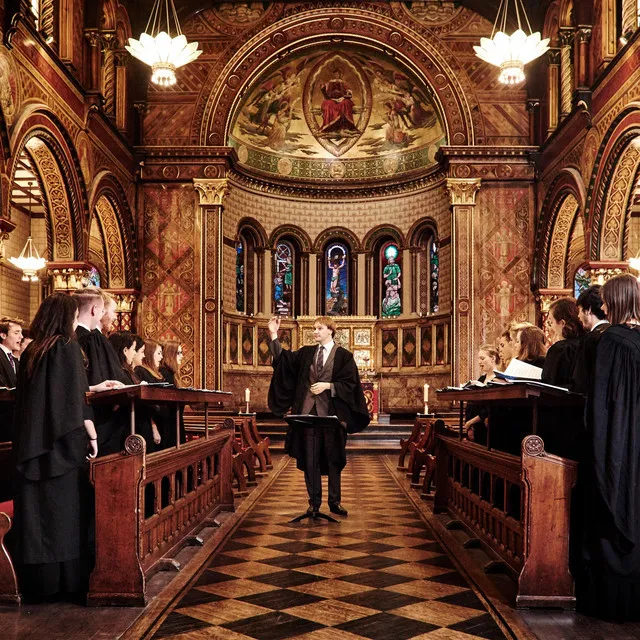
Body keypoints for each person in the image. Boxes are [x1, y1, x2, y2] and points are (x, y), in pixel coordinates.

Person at [9, 293, 107, 602]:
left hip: (30, 448)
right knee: (62, 516)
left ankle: (38, 584)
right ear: (66, 319)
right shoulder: (67, 348)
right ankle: (65, 584)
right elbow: (72, 401)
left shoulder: (31, 351)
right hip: (60, 449)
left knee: (38, 518)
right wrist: (90, 435)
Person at [574, 274, 640, 621]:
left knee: (608, 503)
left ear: (610, 303)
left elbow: (598, 402)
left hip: (614, 440)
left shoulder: (611, 341)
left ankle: (607, 601)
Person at [267, 315, 369, 515]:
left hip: (333, 416)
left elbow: (351, 385)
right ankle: (313, 504)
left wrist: (329, 386)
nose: (315, 331)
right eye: (314, 328)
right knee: (310, 458)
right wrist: (273, 334)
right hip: (307, 415)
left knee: (333, 459)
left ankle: (334, 502)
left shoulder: (344, 356)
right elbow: (283, 361)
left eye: (319, 328)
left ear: (330, 330)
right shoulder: (306, 353)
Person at [73, 288, 126, 455]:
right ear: (96, 310)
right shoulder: (93, 339)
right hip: (99, 420)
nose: (111, 315)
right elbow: (103, 375)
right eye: (107, 311)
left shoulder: (69, 338)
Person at [108, 332, 161, 452]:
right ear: (125, 350)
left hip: (137, 426)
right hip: (128, 429)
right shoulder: (121, 373)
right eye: (134, 349)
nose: (136, 354)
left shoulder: (127, 372)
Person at [573, 285, 609, 394]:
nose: (578, 316)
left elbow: (580, 381)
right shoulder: (617, 333)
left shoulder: (591, 339)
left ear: (588, 310)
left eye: (579, 310)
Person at [542, 298, 584, 387]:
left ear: (562, 323)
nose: (550, 328)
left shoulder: (560, 349)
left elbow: (547, 385)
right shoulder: (588, 342)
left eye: (550, 322)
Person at [465, 345, 499, 445]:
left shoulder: (499, 380)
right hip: (476, 427)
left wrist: (472, 422)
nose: (479, 362)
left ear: (493, 358)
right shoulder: (480, 380)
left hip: (489, 427)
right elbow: (470, 404)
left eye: (482, 358)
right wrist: (469, 426)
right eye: (479, 359)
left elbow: (492, 406)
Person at [160, 341, 185, 447]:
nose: (182, 356)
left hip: (175, 421)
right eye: (179, 353)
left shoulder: (172, 374)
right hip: (168, 424)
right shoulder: (165, 373)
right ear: (171, 354)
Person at [0, 316, 23, 389]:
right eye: (16, 333)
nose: (21, 337)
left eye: (21, 333)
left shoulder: (14, 360)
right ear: (3, 335)